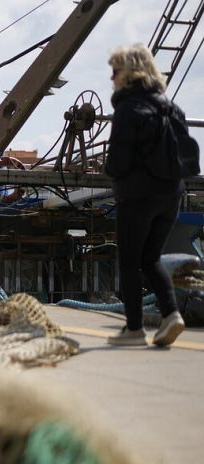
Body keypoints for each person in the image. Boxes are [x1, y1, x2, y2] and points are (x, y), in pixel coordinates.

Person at [104, 44, 186, 346]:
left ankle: (134, 329)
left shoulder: (127, 108)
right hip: (172, 196)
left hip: (137, 197)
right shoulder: (171, 106)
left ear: (130, 72)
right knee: (151, 259)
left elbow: (117, 163)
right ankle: (171, 314)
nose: (112, 78)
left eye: (115, 71)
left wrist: (111, 171)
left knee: (129, 261)